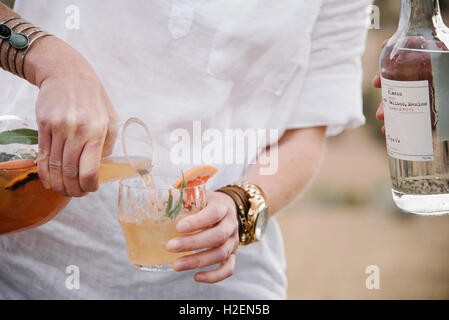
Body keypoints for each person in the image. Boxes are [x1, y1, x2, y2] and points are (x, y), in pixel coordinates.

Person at [0, 0, 371, 299]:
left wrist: (239, 205)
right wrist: (53, 62)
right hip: (29, 269)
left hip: (219, 282)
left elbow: (307, 130)